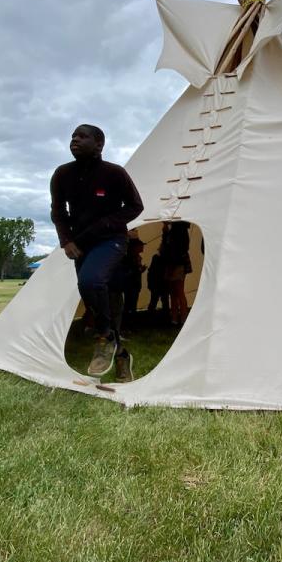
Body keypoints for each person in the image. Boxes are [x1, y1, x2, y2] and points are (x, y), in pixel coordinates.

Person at [50, 124, 143, 380]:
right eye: (72, 136)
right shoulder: (62, 174)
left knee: (90, 280)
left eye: (82, 136)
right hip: (80, 245)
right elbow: (58, 212)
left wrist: (106, 224)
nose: (75, 140)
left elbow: (135, 206)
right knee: (101, 295)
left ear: (99, 144)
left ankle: (105, 337)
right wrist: (65, 241)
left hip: (111, 240)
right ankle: (122, 356)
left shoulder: (114, 173)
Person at [161, 220, 191, 326]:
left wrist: (172, 266)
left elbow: (178, 249)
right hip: (173, 262)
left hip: (177, 263)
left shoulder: (179, 230)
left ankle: (183, 317)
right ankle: (175, 317)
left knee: (178, 291)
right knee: (173, 292)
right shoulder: (174, 230)